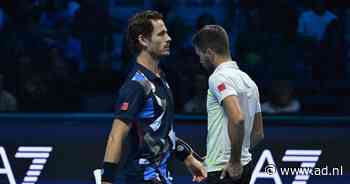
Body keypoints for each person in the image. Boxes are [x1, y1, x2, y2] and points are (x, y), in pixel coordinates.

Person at [101, 10, 206, 184]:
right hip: (142, 178)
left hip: (161, 177)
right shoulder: (136, 85)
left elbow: (161, 132)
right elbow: (116, 136)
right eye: (162, 34)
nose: (169, 38)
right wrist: (106, 180)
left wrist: (188, 157)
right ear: (143, 40)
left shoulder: (161, 79)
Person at [192, 25, 264, 184]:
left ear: (209, 53)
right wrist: (221, 155)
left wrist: (234, 160)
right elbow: (258, 133)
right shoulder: (248, 81)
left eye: (200, 55)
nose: (200, 60)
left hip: (223, 172)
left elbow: (237, 118)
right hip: (245, 168)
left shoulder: (218, 78)